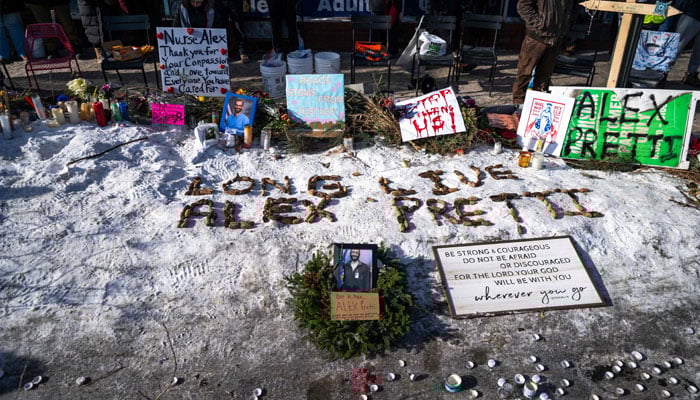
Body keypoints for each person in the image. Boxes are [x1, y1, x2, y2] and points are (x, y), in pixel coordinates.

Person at [512, 0, 575, 105]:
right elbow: (523, 6)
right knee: (525, 73)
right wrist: (539, 24)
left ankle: (537, 105)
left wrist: (566, 26)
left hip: (556, 38)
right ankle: (518, 105)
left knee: (544, 76)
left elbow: (572, 9)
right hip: (535, 38)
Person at [78, 0, 146, 63]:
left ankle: (109, 52)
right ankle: (102, 52)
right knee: (95, 30)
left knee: (102, 30)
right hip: (92, 8)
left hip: (101, 8)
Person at [675, 0, 700, 87]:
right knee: (677, 45)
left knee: (698, 52)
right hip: (692, 13)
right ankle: (663, 72)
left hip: (693, 12)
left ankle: (691, 75)